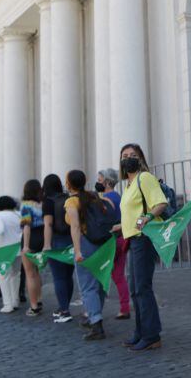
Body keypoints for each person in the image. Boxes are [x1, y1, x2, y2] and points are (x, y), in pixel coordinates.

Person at [118, 143, 169, 352]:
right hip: (133, 239)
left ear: (140, 158)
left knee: (142, 287)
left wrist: (146, 217)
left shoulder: (144, 178)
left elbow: (160, 203)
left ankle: (151, 335)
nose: (128, 158)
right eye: (125, 156)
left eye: (132, 155)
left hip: (144, 238)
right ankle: (141, 331)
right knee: (134, 289)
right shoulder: (128, 185)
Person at [67, 170, 112, 341]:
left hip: (86, 243)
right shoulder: (94, 196)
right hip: (102, 242)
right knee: (99, 282)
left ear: (69, 184)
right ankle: (96, 316)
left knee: (87, 286)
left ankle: (96, 323)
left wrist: (77, 251)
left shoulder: (72, 201)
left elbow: (75, 227)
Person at [43, 174, 77, 323]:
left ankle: (64, 310)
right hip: (71, 239)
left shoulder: (48, 201)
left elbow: (48, 224)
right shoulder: (67, 198)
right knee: (68, 276)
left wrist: (46, 244)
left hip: (56, 241)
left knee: (58, 277)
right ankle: (64, 305)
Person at [97, 169, 129, 320]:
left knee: (99, 275)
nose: (98, 181)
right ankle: (125, 308)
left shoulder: (106, 199)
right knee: (119, 276)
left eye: (100, 179)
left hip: (110, 241)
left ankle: (94, 310)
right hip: (122, 239)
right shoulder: (119, 196)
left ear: (107, 182)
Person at [20, 180, 47, 316]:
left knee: (30, 274)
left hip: (31, 238)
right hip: (43, 236)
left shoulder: (25, 205)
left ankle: (34, 305)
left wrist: (25, 245)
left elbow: (26, 226)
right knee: (37, 271)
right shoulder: (43, 204)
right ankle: (39, 298)